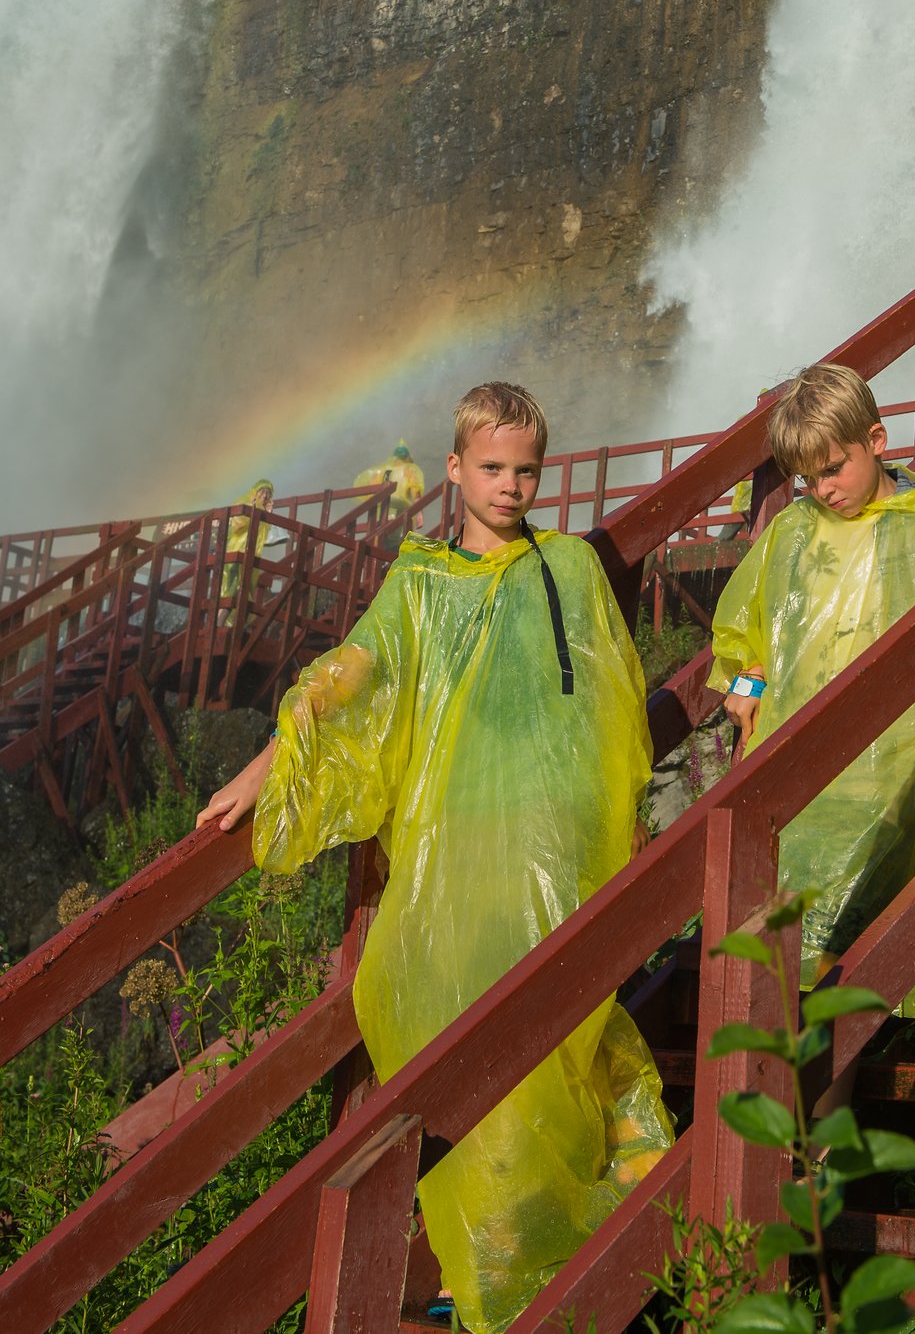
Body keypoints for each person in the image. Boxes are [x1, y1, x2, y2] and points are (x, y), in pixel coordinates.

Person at [196, 382, 671, 1334]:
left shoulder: (570, 566)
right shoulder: (417, 583)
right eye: (491, 468)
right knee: (436, 1012)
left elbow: (613, 701)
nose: (510, 486)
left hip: (552, 840)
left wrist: (607, 821)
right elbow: (353, 676)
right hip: (458, 846)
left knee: (545, 1027)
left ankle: (548, 1245)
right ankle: (488, 1254)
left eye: (526, 469)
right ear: (453, 469)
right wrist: (268, 764)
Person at [708, 364, 915, 990]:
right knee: (779, 953)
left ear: (878, 441)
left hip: (890, 767)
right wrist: (745, 693)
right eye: (806, 478)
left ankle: (825, 1085)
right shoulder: (793, 533)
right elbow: (750, 637)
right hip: (794, 763)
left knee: (849, 959)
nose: (822, 490)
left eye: (833, 469)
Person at [219, 479, 274, 623]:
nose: (265, 495)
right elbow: (236, 524)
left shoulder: (261, 509)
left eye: (268, 493)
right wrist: (253, 508)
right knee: (233, 586)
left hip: (250, 555)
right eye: (263, 491)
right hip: (236, 552)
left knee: (244, 587)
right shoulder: (246, 502)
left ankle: (232, 623)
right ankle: (220, 622)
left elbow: (264, 536)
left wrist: (268, 514)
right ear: (255, 491)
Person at [353, 440, 426, 515]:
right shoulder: (408, 471)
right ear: (407, 458)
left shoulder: (381, 472)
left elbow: (372, 491)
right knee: (397, 525)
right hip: (400, 510)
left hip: (381, 511)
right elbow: (416, 492)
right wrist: (419, 513)